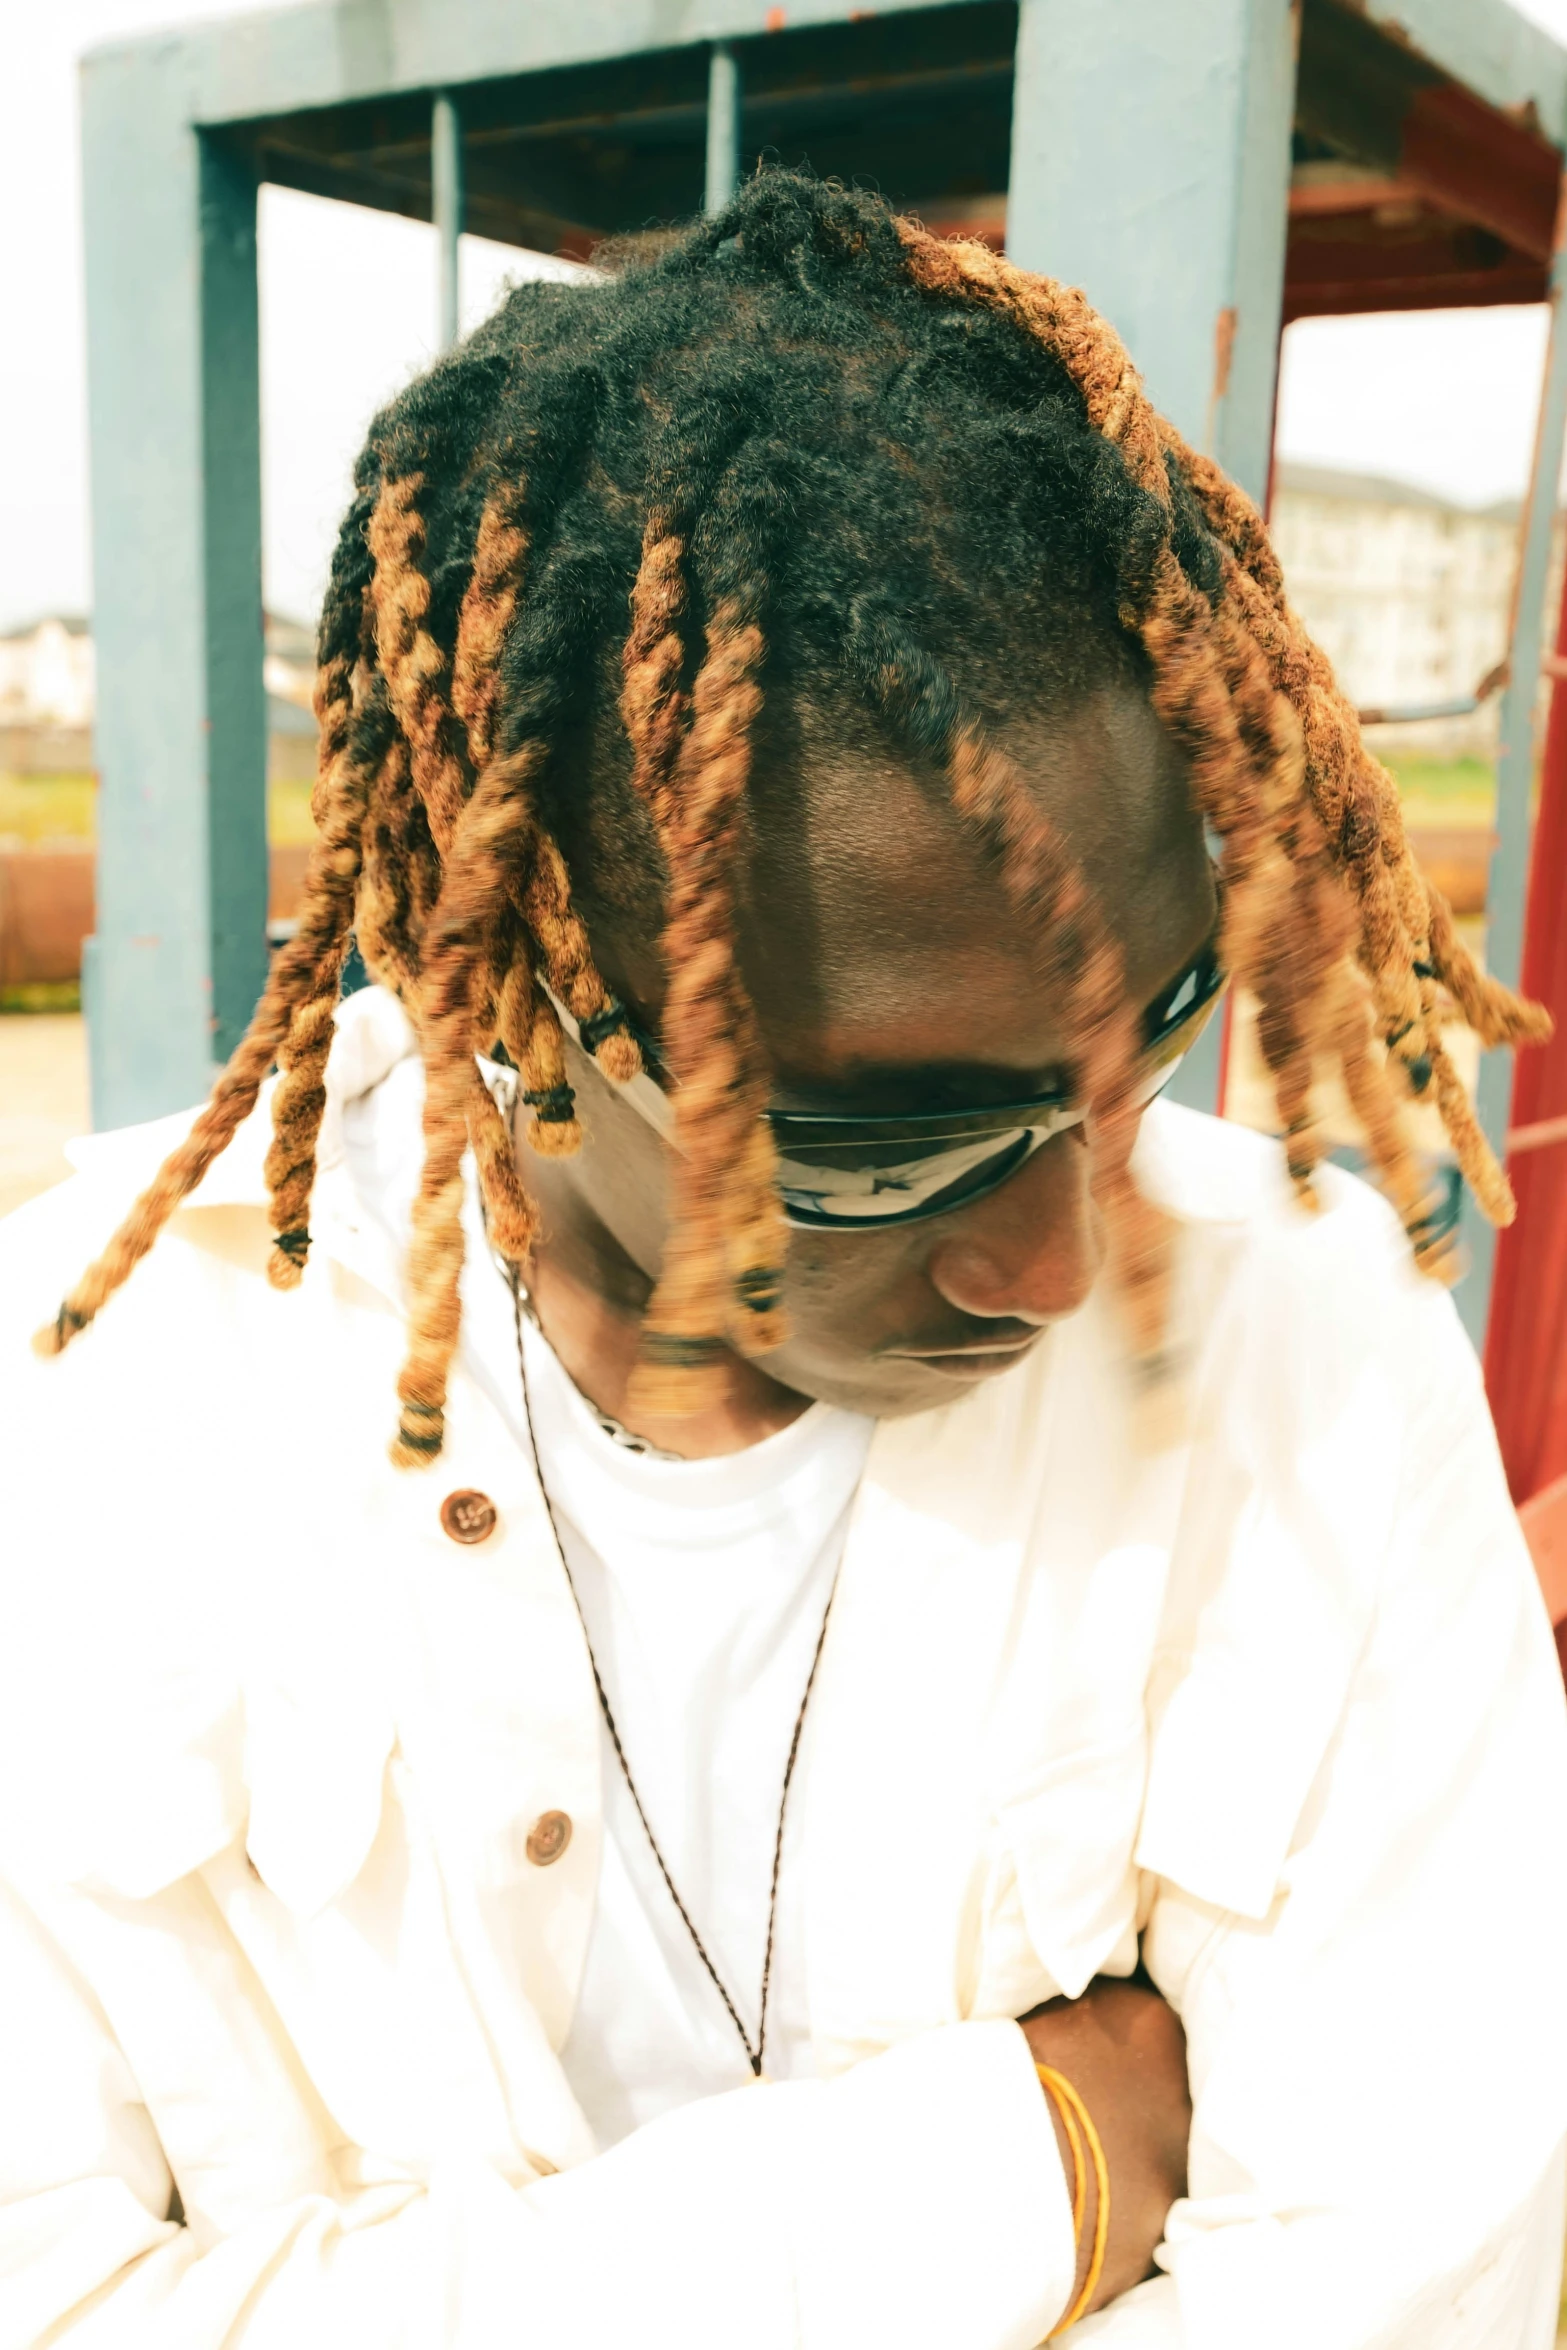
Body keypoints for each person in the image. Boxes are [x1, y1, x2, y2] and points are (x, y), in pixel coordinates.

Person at [2, 172, 1564, 2349]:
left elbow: (1417, 2279)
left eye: (1132, 1056)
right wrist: (1048, 2151)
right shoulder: (83, 1415)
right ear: (530, 1009)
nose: (1052, 1252)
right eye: (881, 1141)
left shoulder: (1303, 1359)